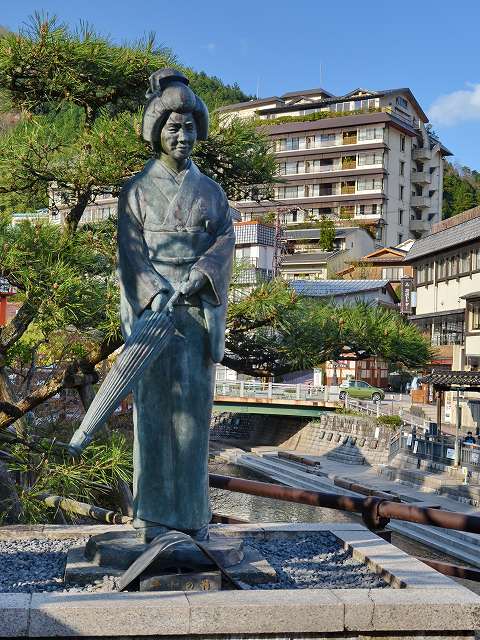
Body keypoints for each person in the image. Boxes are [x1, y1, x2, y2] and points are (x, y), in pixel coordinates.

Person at [117, 69, 235, 542]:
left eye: (189, 127)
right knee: (152, 415)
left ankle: (190, 516)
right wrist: (153, 291)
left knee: (193, 420)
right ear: (156, 132)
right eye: (173, 127)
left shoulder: (211, 192)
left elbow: (225, 240)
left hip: (196, 312)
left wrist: (202, 273)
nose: (182, 136)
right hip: (154, 317)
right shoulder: (136, 190)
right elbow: (130, 253)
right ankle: (152, 516)